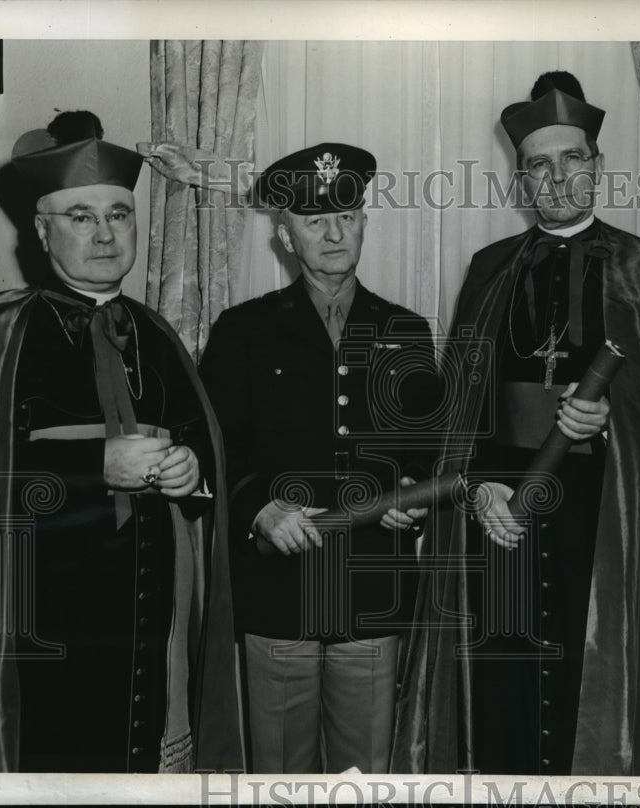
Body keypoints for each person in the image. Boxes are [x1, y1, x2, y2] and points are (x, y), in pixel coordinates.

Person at [392, 71, 640, 775]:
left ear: (596, 165)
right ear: (521, 180)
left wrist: (614, 420)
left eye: (571, 159)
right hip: (499, 522)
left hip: (602, 518)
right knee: (503, 697)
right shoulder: (490, 269)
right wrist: (482, 493)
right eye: (538, 166)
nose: (556, 178)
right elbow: (462, 413)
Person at [0, 111, 242, 773]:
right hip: (38, 622)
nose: (105, 233)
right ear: (41, 228)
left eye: (119, 214)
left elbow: (205, 446)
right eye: (81, 216)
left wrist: (191, 469)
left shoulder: (158, 334)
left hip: (151, 620)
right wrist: (95, 466)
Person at [199, 143, 439, 774]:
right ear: (284, 235)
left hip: (371, 590)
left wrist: (407, 496)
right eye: (313, 220)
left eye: (348, 215)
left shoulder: (406, 329)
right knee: (280, 774)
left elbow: (426, 447)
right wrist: (258, 508)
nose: (334, 233)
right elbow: (217, 448)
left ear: (363, 221)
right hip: (278, 593)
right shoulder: (242, 331)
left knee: (367, 773)